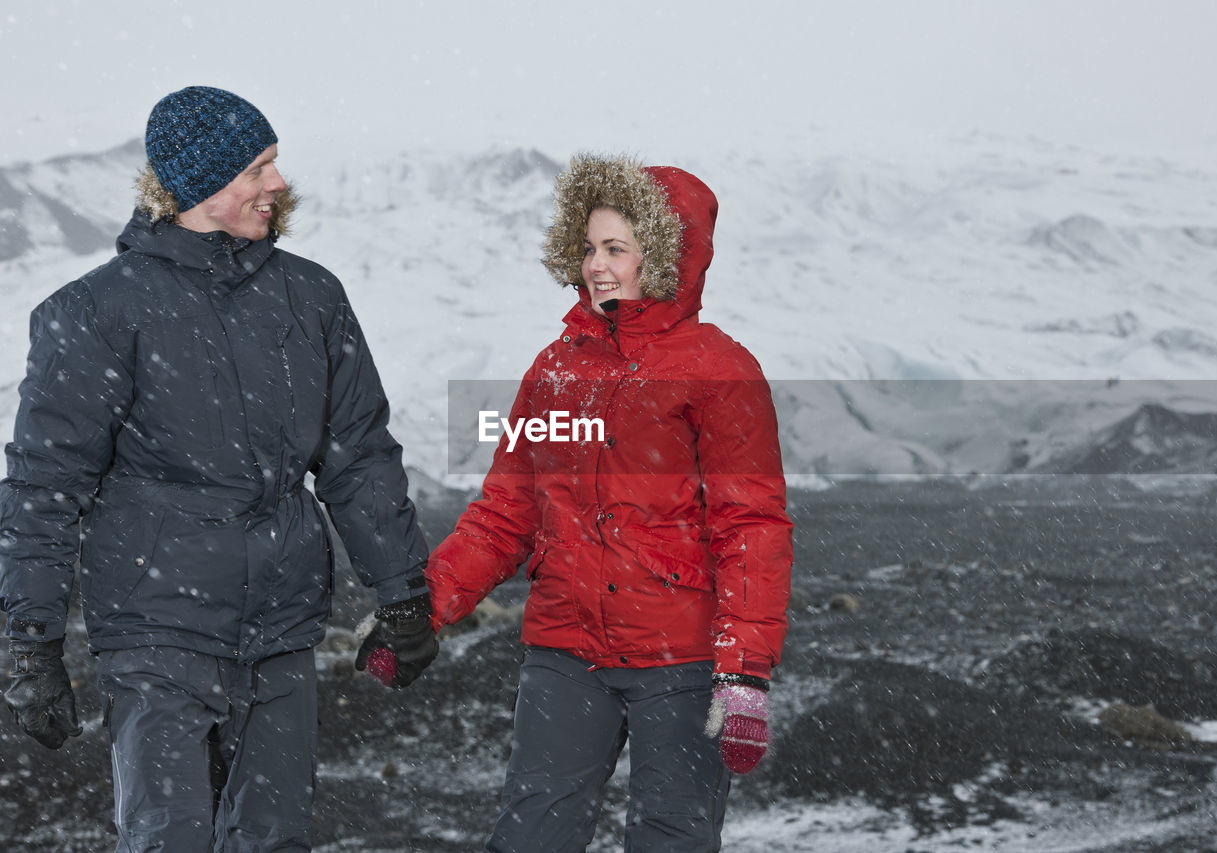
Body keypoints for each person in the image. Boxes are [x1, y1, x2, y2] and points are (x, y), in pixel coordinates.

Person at [0, 85, 438, 851]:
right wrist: (32, 641)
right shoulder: (97, 311)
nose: (278, 184)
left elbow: (358, 454)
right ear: (200, 182)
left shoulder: (310, 297)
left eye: (275, 164)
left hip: (282, 627)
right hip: (156, 630)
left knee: (273, 840)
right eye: (259, 167)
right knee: (168, 838)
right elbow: (44, 485)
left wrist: (403, 591)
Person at [425, 153, 793, 852]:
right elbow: (506, 511)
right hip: (565, 650)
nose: (595, 264)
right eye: (589, 247)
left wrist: (744, 669)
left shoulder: (719, 369)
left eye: (616, 248)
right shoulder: (555, 367)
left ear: (661, 255)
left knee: (670, 837)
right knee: (530, 833)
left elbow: (750, 526)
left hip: (679, 658)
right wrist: (427, 603)